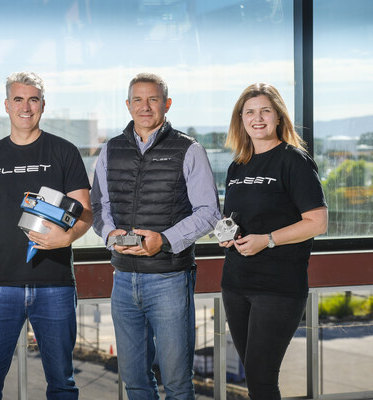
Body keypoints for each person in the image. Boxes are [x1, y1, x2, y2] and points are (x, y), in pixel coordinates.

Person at [91, 72, 220, 399]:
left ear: (167, 103)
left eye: (153, 99)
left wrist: (163, 240)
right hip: (123, 279)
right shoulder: (110, 149)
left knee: (177, 384)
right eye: (138, 99)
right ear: (128, 104)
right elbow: (98, 206)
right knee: (135, 382)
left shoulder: (189, 149)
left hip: (170, 279)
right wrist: (109, 234)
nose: (145, 106)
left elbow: (209, 212)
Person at [0, 71, 92, 399]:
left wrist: (67, 238)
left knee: (62, 384)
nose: (26, 107)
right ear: (6, 105)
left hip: (55, 285)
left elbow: (85, 213)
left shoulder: (64, 152)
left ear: (43, 105)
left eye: (33, 100)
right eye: (18, 100)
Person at [219, 83, 328, 399]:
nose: (257, 118)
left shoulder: (294, 161)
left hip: (278, 287)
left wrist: (267, 240)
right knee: (254, 379)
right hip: (236, 284)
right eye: (249, 112)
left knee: (262, 379)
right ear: (241, 119)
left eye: (265, 111)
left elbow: (317, 222)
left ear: (278, 117)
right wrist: (228, 236)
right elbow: (237, 218)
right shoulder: (237, 165)